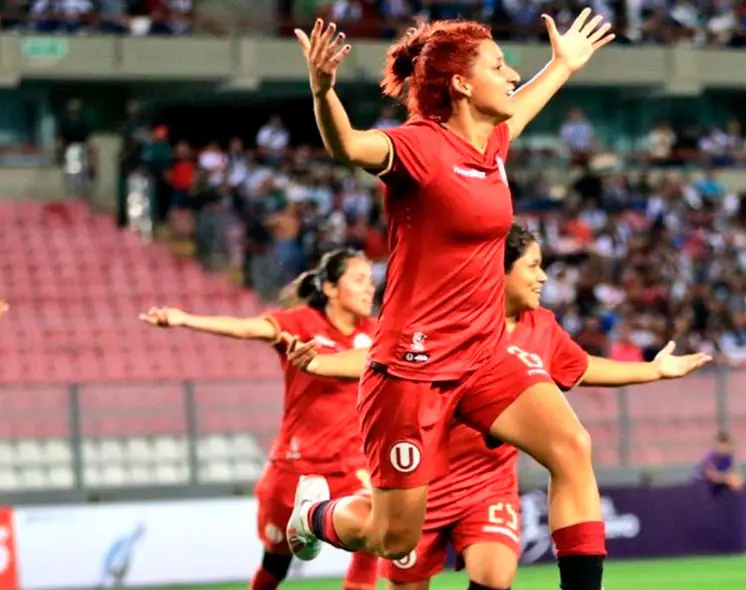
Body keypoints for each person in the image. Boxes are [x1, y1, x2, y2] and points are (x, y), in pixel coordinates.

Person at [288, 12, 618, 590]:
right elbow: (348, 147)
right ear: (462, 84)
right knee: (391, 538)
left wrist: (563, 64)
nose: (512, 73)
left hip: (484, 355)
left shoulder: (491, 144)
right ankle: (315, 513)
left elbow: (523, 104)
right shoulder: (420, 147)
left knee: (571, 447)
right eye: (498, 65)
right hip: (414, 368)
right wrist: (323, 90)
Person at [287, 225, 713, 589]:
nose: (543, 278)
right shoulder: (452, 325)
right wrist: (323, 363)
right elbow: (386, 357)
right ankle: (313, 513)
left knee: (495, 575)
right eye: (533, 266)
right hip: (424, 484)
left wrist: (653, 370)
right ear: (498, 271)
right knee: (391, 541)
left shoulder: (541, 327)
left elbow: (582, 368)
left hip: (486, 486)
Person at [138, 249, 381, 590]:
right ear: (329, 288)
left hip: (349, 465)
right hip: (295, 470)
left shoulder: (378, 333)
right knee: (275, 566)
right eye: (358, 280)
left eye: (370, 281)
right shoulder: (300, 324)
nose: (369, 289)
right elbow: (246, 328)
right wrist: (184, 319)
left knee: (373, 537)